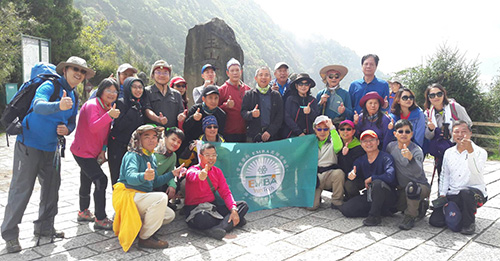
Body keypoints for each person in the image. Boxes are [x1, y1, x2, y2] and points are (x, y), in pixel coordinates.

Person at [2, 56, 93, 253]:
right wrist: (58, 106)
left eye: (82, 71)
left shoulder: (74, 94)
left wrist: (67, 130)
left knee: (52, 188)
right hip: (29, 144)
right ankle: (9, 235)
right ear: (65, 70)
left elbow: (71, 121)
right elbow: (38, 105)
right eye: (74, 69)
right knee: (21, 189)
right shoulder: (49, 86)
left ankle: (44, 227)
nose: (78, 73)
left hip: (51, 147)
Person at [112, 125, 185, 251]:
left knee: (169, 215)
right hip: (128, 195)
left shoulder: (151, 156)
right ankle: (145, 238)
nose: (151, 140)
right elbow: (130, 177)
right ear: (138, 139)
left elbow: (155, 181)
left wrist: (172, 174)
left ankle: (136, 228)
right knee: (161, 198)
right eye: (147, 137)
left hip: (140, 196)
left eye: (154, 137)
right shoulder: (132, 155)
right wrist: (143, 176)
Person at [71, 78, 119, 231]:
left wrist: (103, 149)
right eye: (109, 90)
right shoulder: (93, 105)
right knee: (101, 179)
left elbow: (105, 131)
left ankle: (83, 212)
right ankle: (100, 218)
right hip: (82, 151)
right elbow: (93, 127)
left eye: (115, 91)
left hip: (92, 152)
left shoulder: (107, 106)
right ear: (101, 91)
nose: (112, 94)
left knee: (86, 179)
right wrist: (110, 116)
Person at [429, 120, 487, 235]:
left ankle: (469, 222)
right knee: (435, 221)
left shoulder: (480, 152)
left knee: (466, 193)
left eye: (463, 132)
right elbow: (445, 175)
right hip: (454, 193)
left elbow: (476, 172)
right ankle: (459, 213)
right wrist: (442, 195)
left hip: (473, 193)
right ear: (452, 134)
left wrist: (470, 152)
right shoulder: (448, 152)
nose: (460, 135)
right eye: (456, 132)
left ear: (470, 133)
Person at [184, 143, 249, 240]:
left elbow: (225, 192)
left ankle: (216, 229)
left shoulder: (217, 172)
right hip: (197, 210)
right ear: (200, 156)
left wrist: (233, 209)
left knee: (242, 205)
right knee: (202, 218)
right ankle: (227, 223)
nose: (211, 158)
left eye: (213, 155)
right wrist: (200, 175)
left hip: (212, 207)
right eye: (208, 155)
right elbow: (191, 175)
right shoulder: (193, 170)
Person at [339, 130, 397, 226]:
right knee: (346, 209)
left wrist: (372, 178)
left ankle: (374, 216)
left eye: (371, 140)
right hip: (370, 196)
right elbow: (353, 171)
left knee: (377, 183)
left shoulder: (386, 158)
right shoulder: (360, 160)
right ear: (361, 144)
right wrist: (351, 175)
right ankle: (379, 210)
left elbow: (390, 177)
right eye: (365, 141)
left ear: (378, 142)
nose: (368, 143)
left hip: (387, 195)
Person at [386, 120, 430, 230]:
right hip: (402, 187)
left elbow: (418, 173)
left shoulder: (417, 150)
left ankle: (410, 217)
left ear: (412, 134)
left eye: (407, 131)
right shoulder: (391, 147)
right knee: (394, 208)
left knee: (412, 188)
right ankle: (420, 206)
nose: (404, 134)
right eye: (400, 131)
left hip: (420, 186)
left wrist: (411, 159)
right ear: (395, 134)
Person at [424, 83, 472, 183]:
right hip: (441, 150)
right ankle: (442, 196)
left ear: (444, 94)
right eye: (432, 95)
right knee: (442, 176)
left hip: (458, 148)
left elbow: (468, 124)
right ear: (428, 98)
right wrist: (431, 129)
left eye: (439, 94)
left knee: (459, 176)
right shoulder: (428, 114)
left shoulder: (454, 107)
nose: (436, 97)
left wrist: (456, 132)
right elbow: (428, 136)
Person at [108, 77, 146, 186]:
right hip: (118, 147)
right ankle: (118, 202)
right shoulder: (120, 103)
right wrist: (132, 111)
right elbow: (119, 126)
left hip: (133, 148)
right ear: (127, 88)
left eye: (140, 87)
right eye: (134, 87)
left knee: (131, 179)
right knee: (118, 179)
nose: (138, 90)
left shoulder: (140, 104)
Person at [241, 66, 284, 142]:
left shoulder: (276, 95)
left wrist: (270, 132)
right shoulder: (249, 95)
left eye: (266, 75)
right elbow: (243, 112)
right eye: (261, 75)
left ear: (270, 78)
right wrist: (251, 114)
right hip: (254, 136)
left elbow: (279, 116)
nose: (263, 77)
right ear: (256, 78)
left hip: (272, 136)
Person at [310, 116, 344, 210]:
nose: (322, 132)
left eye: (325, 129)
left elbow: (338, 147)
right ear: (315, 129)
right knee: (312, 207)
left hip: (329, 174)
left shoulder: (333, 140)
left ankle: (336, 201)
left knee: (339, 173)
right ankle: (316, 197)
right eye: (319, 129)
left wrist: (332, 128)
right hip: (315, 176)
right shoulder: (310, 142)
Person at [143, 60, 186, 128]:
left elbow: (181, 111)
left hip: (171, 133)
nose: (162, 75)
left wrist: (181, 116)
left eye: (165, 73)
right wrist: (158, 119)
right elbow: (147, 110)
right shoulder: (147, 91)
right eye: (158, 72)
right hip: (153, 133)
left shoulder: (176, 94)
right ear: (153, 75)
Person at [218, 58, 251, 142]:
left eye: (237, 70)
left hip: (245, 132)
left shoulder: (247, 89)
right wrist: (226, 106)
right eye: (232, 71)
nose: (235, 73)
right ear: (227, 73)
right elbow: (214, 109)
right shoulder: (222, 89)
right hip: (227, 133)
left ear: (241, 71)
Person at [154, 127, 185, 210]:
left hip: (160, 181)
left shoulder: (173, 155)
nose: (175, 143)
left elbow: (170, 172)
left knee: (176, 183)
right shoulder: (154, 151)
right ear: (165, 138)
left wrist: (172, 186)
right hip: (148, 183)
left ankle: (166, 203)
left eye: (179, 142)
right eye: (173, 139)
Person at [336, 120, 366, 200]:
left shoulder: (359, 147)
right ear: (339, 131)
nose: (345, 131)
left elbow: (355, 167)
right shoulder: (337, 144)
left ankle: (355, 200)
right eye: (342, 129)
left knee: (349, 185)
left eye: (348, 129)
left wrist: (345, 156)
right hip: (340, 174)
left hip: (355, 177)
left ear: (353, 131)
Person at [282, 73, 319, 138]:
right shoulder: (290, 100)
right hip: (291, 135)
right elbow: (287, 117)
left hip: (309, 136)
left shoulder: (313, 101)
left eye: (306, 84)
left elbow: (317, 119)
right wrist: (299, 132)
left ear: (309, 86)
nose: (303, 86)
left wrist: (310, 112)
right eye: (300, 84)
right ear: (296, 86)